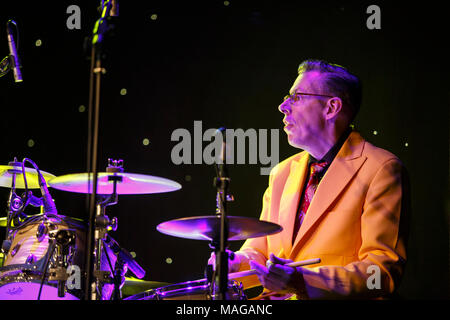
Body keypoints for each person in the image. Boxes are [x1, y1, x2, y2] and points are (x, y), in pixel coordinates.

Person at [208, 59, 410, 299]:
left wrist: (304, 281)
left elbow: (382, 273)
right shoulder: (282, 172)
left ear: (331, 108)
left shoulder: (381, 169)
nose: (283, 106)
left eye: (296, 97)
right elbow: (260, 251)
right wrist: (237, 261)